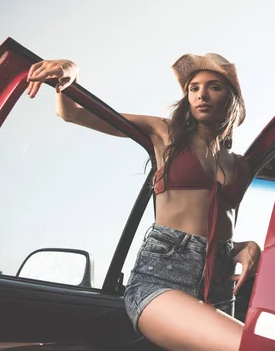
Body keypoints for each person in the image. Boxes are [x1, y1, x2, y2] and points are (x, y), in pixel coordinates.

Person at [26, 53, 261, 351]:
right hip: (162, 279)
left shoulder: (241, 165)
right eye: (194, 88)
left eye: (214, 86)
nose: (201, 94)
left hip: (219, 288)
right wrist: (68, 75)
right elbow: (73, 113)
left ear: (232, 98)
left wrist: (242, 246)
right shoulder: (165, 133)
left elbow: (214, 221)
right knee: (251, 346)